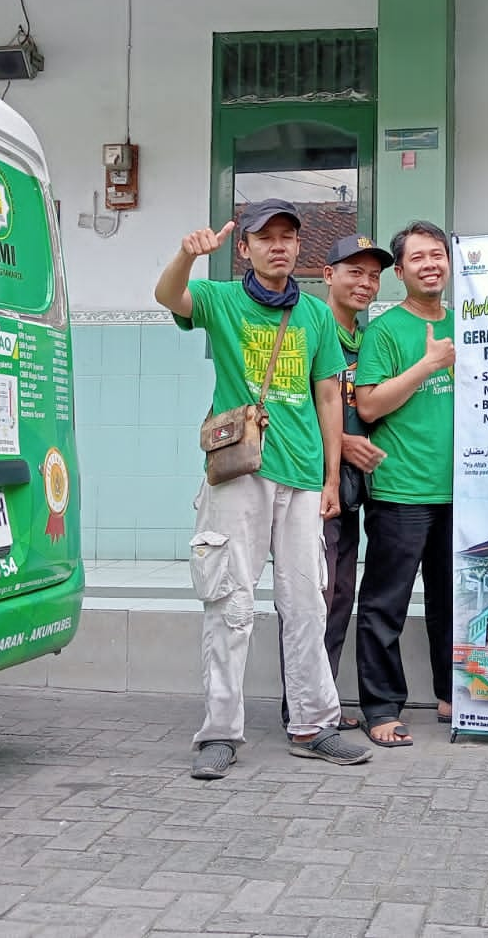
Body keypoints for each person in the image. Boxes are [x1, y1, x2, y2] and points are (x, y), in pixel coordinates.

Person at [154, 199, 372, 779]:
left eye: (288, 237)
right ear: (244, 247)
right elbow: (168, 297)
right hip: (240, 471)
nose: (279, 246)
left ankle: (313, 725)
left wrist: (331, 477)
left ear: (299, 248)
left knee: (307, 603)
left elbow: (328, 396)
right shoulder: (222, 300)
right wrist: (186, 255)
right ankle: (219, 732)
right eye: (265, 237)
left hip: (302, 476)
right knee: (230, 600)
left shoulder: (316, 316)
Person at [278, 234, 392, 728]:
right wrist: (341, 444)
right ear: (327, 275)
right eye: (354, 272)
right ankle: (300, 707)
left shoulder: (370, 342)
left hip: (357, 490)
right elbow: (291, 407)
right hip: (312, 483)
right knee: (312, 593)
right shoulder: (305, 329)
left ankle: (319, 702)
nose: (365, 284)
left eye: (373, 276)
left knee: (341, 592)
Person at [352, 220, 456, 748]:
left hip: (461, 490)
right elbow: (367, 404)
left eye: (437, 254)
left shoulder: (468, 323)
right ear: (400, 271)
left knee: (452, 600)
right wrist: (430, 363)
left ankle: (451, 693)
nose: (430, 264)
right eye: (418, 258)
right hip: (401, 489)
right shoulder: (387, 330)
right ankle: (381, 706)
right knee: (384, 605)